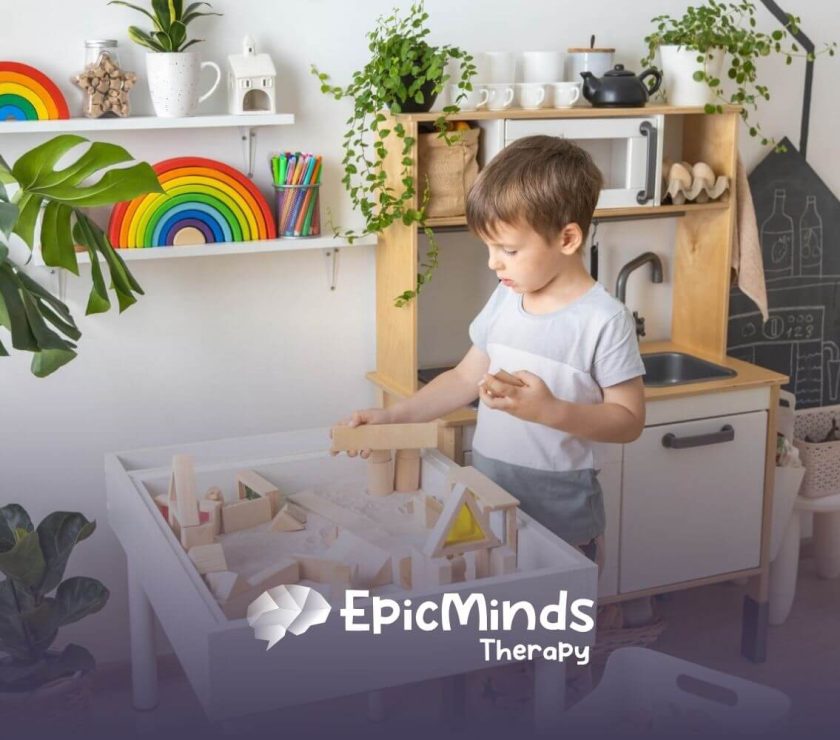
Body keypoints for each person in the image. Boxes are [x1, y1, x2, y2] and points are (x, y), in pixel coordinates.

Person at [339, 135, 646, 564]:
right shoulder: (506, 297)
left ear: (568, 238)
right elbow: (464, 378)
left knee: (554, 626)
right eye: (489, 247)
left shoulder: (604, 320)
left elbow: (629, 421)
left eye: (509, 249)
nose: (493, 263)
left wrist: (548, 410)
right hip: (489, 500)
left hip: (563, 520)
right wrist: (393, 416)